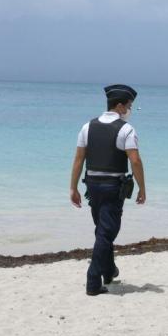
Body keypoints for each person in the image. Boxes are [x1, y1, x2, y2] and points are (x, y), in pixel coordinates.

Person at [69, 84, 146, 296]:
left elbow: (78, 160)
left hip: (92, 185)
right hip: (113, 187)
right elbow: (135, 161)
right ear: (120, 106)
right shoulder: (126, 129)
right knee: (106, 232)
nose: (130, 109)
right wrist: (142, 188)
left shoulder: (87, 127)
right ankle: (93, 281)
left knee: (102, 230)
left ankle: (108, 270)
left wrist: (73, 187)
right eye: (129, 105)